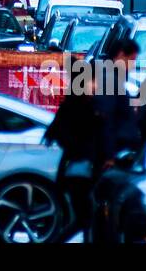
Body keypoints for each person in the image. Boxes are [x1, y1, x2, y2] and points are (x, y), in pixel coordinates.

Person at [44, 59, 108, 236]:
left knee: (84, 219)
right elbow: (65, 136)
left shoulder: (79, 105)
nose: (96, 86)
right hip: (79, 172)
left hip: (79, 170)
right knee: (83, 219)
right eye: (93, 81)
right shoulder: (80, 107)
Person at [95, 38, 142, 166]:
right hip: (113, 153)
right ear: (121, 55)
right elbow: (106, 118)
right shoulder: (109, 79)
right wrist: (109, 156)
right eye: (131, 60)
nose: (132, 65)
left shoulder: (114, 78)